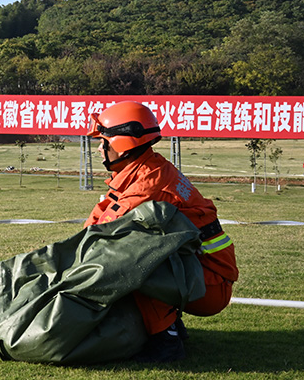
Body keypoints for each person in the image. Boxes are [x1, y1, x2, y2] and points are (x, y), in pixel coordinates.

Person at [85, 101, 238, 362]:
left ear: (123, 143)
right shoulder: (147, 169)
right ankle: (171, 327)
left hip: (210, 283)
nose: (100, 147)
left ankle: (165, 343)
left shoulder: (148, 185)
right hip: (204, 272)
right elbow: (104, 211)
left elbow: (102, 232)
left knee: (131, 264)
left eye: (104, 141)